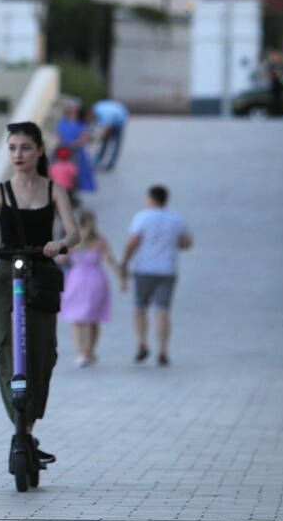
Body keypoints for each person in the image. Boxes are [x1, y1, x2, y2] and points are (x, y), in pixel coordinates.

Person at [0, 121, 80, 465]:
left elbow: (74, 233)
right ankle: (20, 427)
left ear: (39, 151)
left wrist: (60, 243)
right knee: (5, 346)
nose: (18, 155)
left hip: (41, 273)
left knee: (42, 350)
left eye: (25, 148)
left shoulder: (53, 189)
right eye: (13, 148)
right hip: (7, 274)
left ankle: (28, 428)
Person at [119, 185, 192, 366]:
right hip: (168, 269)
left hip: (144, 268)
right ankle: (163, 350)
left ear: (151, 199)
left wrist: (125, 262)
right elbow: (187, 242)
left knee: (140, 308)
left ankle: (142, 343)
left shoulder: (142, 217)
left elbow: (133, 242)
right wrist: (171, 244)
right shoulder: (177, 218)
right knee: (163, 311)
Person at [58, 209, 118, 367]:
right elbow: (110, 260)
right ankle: (89, 351)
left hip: (76, 280)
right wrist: (122, 278)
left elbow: (62, 260)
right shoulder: (99, 240)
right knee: (93, 319)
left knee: (77, 319)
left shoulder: (74, 240)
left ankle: (81, 353)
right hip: (96, 280)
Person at [55, 101, 97, 193]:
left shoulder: (82, 123)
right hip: (63, 152)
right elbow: (59, 136)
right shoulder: (63, 122)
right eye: (70, 109)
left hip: (76, 152)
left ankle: (73, 194)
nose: (72, 111)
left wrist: (72, 145)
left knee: (75, 174)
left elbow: (83, 138)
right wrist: (62, 146)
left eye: (74, 109)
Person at [92, 98, 129, 171]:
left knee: (114, 144)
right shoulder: (96, 108)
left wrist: (100, 137)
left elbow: (107, 128)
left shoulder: (105, 114)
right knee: (105, 142)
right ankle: (97, 161)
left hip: (119, 122)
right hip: (117, 112)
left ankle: (110, 164)